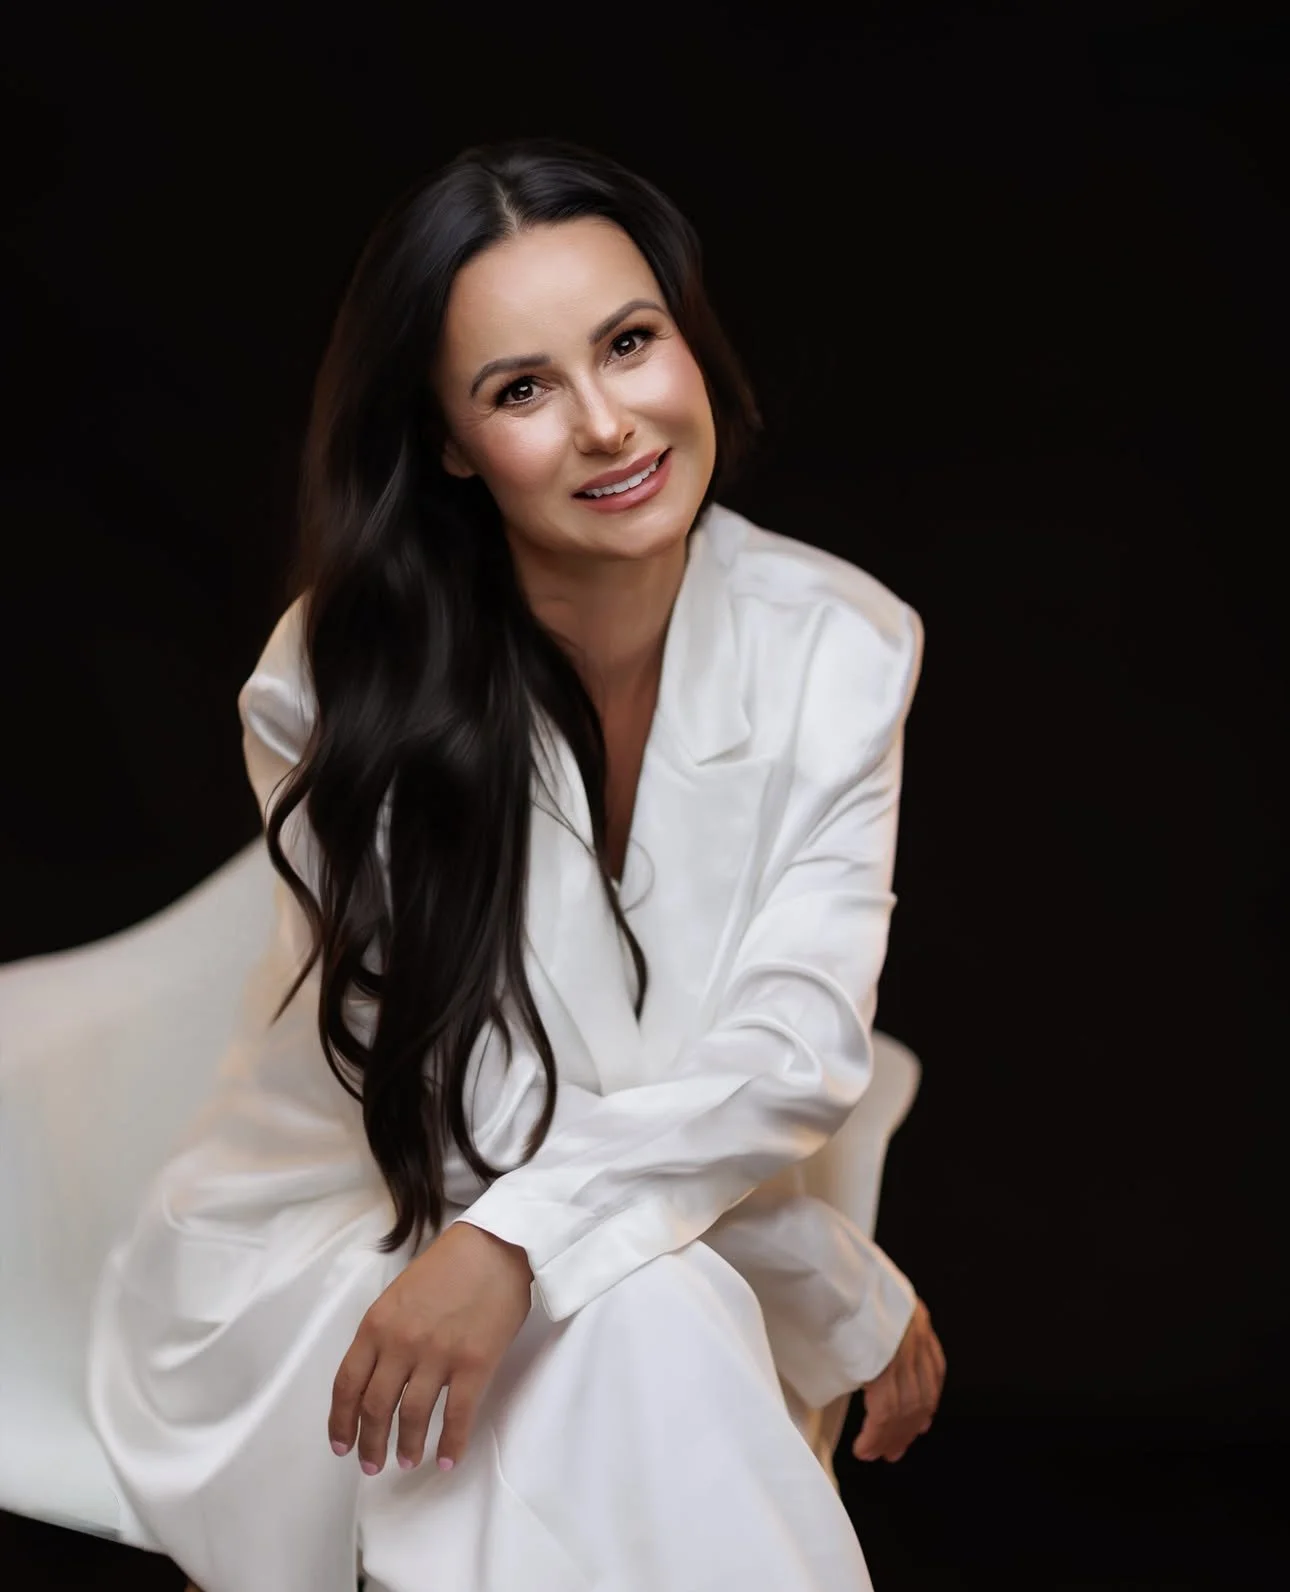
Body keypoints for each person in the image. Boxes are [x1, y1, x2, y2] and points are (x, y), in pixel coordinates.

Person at [87, 136, 945, 1592]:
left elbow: (796, 1043)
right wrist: (828, 1283)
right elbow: (496, 1103)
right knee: (636, 1307)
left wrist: (528, 1247)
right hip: (353, 1237)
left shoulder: (840, 645)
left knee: (629, 1306)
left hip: (591, 1237)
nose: (609, 424)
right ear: (445, 442)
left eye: (629, 343)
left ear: (687, 338)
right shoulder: (333, 680)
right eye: (521, 389)